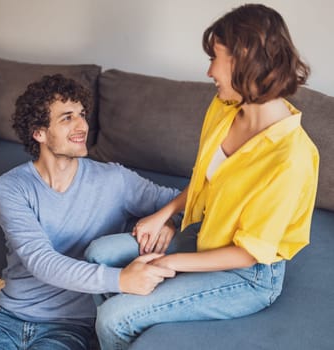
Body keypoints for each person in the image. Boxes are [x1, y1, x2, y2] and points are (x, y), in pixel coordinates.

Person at [86, 4, 319, 349]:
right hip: (204, 235)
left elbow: (247, 253)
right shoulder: (225, 108)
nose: (209, 70)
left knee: (113, 317)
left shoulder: (291, 156)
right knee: (98, 253)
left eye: (215, 58)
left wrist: (168, 262)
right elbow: (206, 178)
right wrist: (163, 215)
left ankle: (121, 324)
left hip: (248, 275)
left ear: (243, 58)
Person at [0, 74, 195, 350]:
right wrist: (121, 280)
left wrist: (168, 217)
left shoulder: (115, 180)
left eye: (82, 114)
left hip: (70, 325)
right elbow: (41, 261)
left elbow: (191, 200)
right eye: (67, 118)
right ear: (39, 132)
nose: (82, 125)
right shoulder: (10, 187)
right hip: (7, 316)